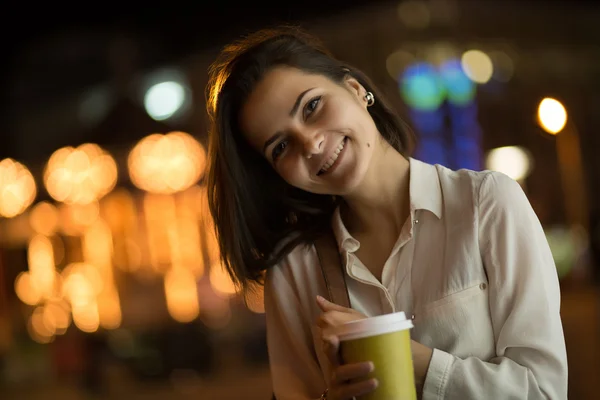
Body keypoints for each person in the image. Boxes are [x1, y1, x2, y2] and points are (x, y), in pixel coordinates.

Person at [205, 26, 568, 400]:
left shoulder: (485, 202)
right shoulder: (294, 271)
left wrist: (412, 360)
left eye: (312, 106)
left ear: (356, 90)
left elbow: (544, 390)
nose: (310, 143)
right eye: (281, 146)